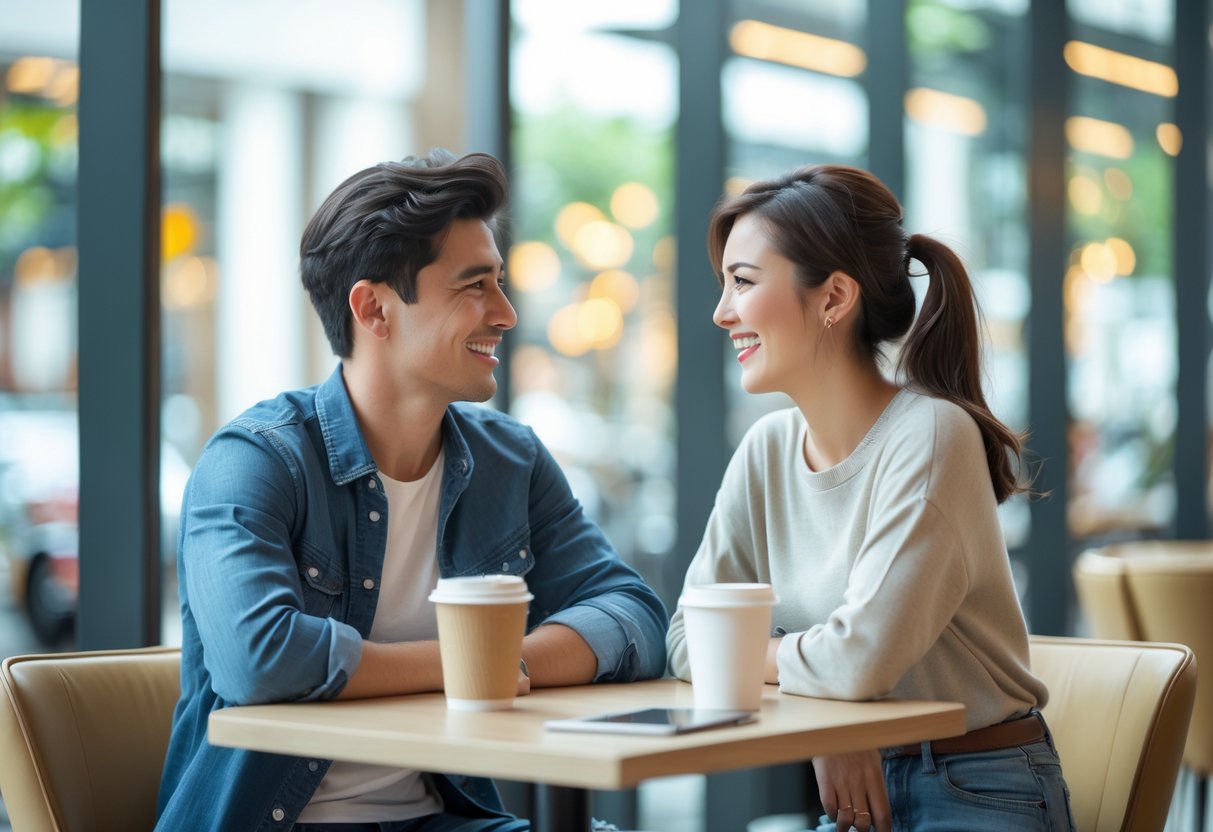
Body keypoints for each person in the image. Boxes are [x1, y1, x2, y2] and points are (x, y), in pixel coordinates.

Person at [156, 149, 669, 832]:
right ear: (373, 309)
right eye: (474, 286)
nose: (507, 313)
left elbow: (634, 614)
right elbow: (260, 659)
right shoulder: (255, 461)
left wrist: (503, 663)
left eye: (500, 283)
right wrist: (468, 665)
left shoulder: (507, 460)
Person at [666, 165, 1075, 832]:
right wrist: (826, 721)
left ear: (833, 298)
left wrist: (830, 697)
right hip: (855, 794)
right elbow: (685, 640)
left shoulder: (931, 435)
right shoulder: (765, 451)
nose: (721, 311)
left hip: (976, 788)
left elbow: (858, 659)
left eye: (741, 282)